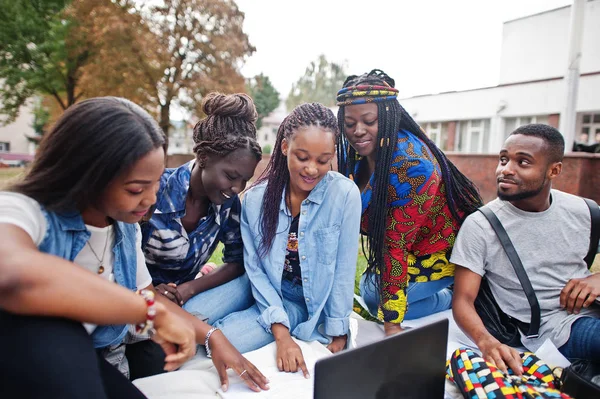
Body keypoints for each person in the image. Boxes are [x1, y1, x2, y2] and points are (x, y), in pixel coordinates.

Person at [0, 97, 268, 399]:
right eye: (137, 189)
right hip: (32, 358)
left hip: (99, 351)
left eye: (156, 185)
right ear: (90, 173)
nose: (152, 200)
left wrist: (210, 335)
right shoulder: (20, 211)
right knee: (62, 333)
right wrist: (150, 312)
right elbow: (13, 274)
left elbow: (147, 294)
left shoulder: (124, 228)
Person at [213, 103, 361, 376]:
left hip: (300, 302)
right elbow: (255, 269)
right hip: (261, 285)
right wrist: (282, 336)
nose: (312, 170)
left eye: (323, 160)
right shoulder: (256, 199)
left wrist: (338, 331)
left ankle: (258, 318)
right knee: (195, 314)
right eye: (302, 157)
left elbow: (343, 270)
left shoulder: (345, 195)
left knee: (222, 339)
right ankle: (256, 314)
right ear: (284, 148)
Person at [336, 69, 482, 336]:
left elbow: (395, 245)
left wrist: (392, 323)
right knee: (372, 286)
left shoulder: (414, 168)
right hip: (406, 245)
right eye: (349, 123)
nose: (358, 131)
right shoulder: (354, 150)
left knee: (373, 297)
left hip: (438, 251)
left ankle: (454, 296)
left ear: (389, 117)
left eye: (369, 121)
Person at [451, 124, 600, 375]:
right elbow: (463, 300)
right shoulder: (481, 225)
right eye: (503, 159)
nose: (506, 170)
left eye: (523, 162)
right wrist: (487, 342)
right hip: (555, 327)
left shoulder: (584, 210)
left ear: (554, 170)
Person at [141, 92, 262, 324]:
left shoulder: (228, 205)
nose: (238, 188)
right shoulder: (155, 191)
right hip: (137, 294)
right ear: (204, 157)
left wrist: (189, 288)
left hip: (183, 298)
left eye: (245, 180)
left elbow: (237, 261)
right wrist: (151, 290)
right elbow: (122, 257)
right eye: (231, 176)